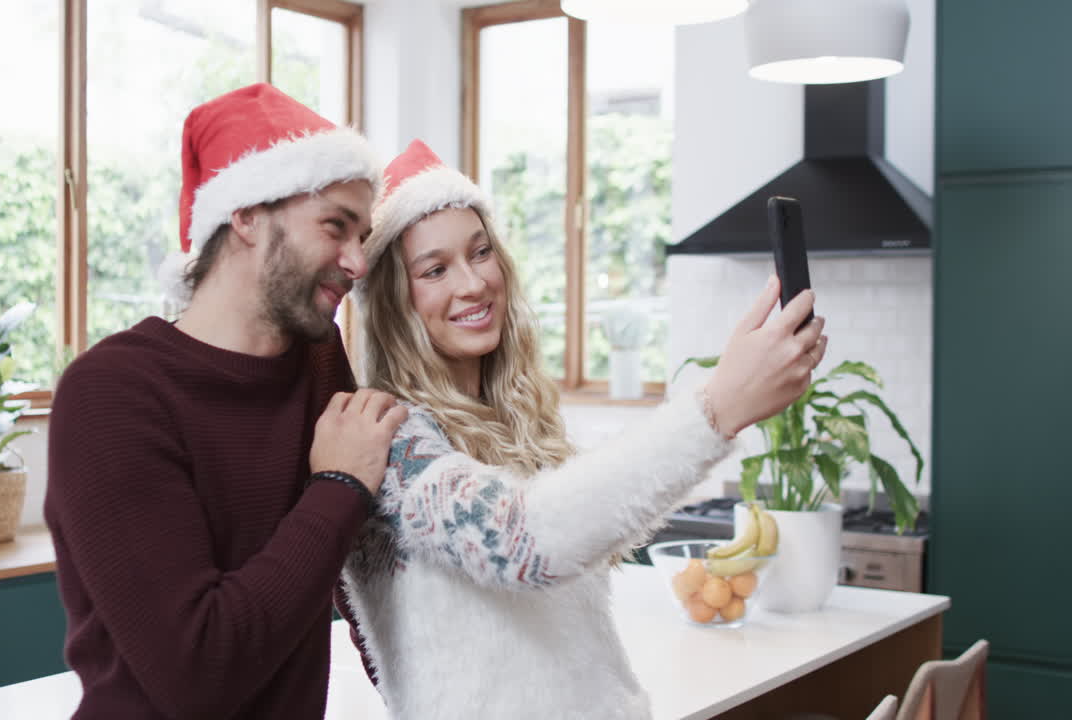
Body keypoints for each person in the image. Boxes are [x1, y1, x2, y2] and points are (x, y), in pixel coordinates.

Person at [337, 140, 828, 719]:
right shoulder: (390, 440)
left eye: (481, 252)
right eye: (435, 269)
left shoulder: (517, 424)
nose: (472, 284)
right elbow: (527, 541)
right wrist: (718, 406)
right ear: (394, 302)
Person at [44, 83, 408, 720]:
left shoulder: (317, 360)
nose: (357, 262)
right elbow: (198, 674)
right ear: (244, 213)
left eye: (363, 235)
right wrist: (339, 482)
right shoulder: (111, 395)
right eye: (335, 227)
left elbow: (365, 593)